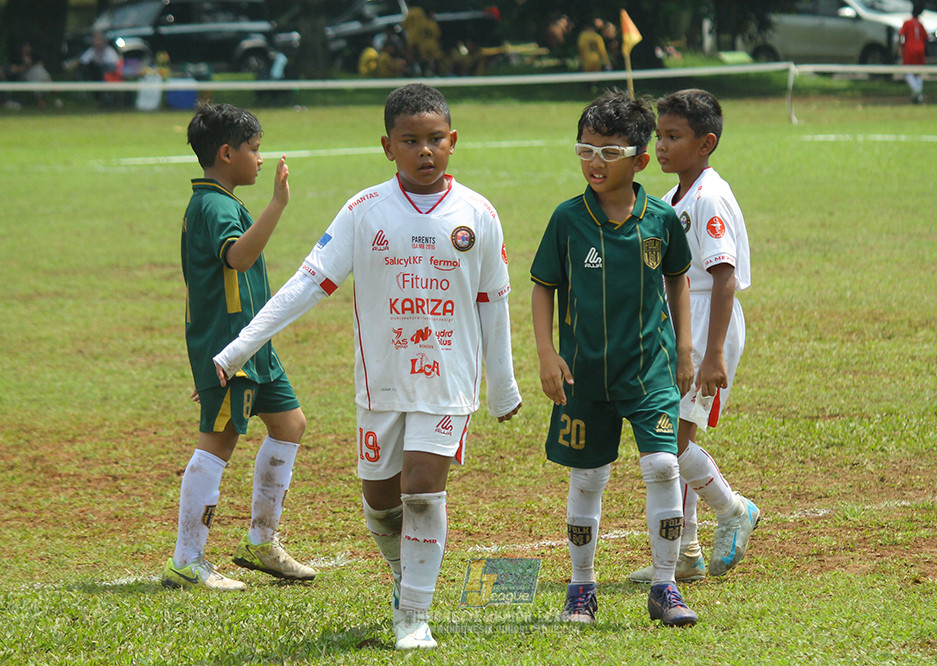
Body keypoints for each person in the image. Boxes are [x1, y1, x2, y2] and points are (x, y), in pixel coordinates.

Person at [213, 83, 522, 650]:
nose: (424, 151)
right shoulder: (364, 211)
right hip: (380, 384)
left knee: (423, 490)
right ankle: (408, 579)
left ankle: (413, 618)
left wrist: (502, 389)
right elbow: (307, 284)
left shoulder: (478, 214)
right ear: (388, 146)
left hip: (447, 382)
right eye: (411, 141)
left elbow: (494, 302)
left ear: (453, 141)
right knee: (381, 504)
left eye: (435, 140)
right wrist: (237, 349)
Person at [531, 91, 698, 628]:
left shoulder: (661, 219)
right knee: (588, 478)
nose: (594, 162)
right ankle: (581, 587)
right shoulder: (567, 219)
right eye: (585, 150)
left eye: (608, 151)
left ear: (640, 159)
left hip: (649, 369)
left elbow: (677, 276)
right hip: (584, 373)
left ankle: (665, 586)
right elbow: (543, 287)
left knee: (664, 465)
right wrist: (546, 353)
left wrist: (686, 346)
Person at [163, 103, 316, 592]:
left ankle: (260, 542)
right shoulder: (213, 205)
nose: (260, 159)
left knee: (290, 424)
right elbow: (239, 255)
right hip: (232, 351)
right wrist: (277, 205)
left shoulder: (219, 200)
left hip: (254, 346)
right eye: (254, 150)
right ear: (227, 153)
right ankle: (187, 560)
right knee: (219, 440)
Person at [628, 89, 760, 586]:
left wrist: (712, 355)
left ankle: (733, 509)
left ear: (706, 143)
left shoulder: (708, 197)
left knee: (672, 440)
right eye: (659, 135)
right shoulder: (671, 199)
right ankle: (686, 553)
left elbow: (723, 276)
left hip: (708, 325)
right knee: (671, 434)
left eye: (673, 136)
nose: (661, 146)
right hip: (681, 324)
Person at [899, 2, 928, 103]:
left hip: (910, 48)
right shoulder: (920, 24)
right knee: (918, 73)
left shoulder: (907, 23)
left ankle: (916, 90)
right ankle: (919, 97)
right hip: (920, 48)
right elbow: (926, 37)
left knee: (908, 71)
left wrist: (900, 47)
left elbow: (901, 35)